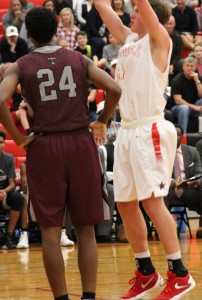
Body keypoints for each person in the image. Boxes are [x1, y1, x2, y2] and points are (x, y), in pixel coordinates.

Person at [0, 7, 121, 300]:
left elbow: (0, 100)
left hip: (44, 146)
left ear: (28, 34)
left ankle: (61, 298)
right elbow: (115, 88)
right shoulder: (78, 58)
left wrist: (18, 137)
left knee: (52, 233)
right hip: (80, 143)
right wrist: (102, 121)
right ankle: (89, 297)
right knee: (86, 230)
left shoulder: (20, 64)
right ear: (57, 30)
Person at [94, 0, 195, 299]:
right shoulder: (129, 41)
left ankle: (180, 273)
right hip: (126, 130)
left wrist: (142, 4)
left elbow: (144, 6)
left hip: (150, 127)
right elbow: (104, 11)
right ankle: (147, 273)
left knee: (152, 203)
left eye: (136, 11)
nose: (132, 13)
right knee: (125, 203)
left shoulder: (159, 41)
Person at [165, 124, 202, 239]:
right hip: (169, 190)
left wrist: (197, 180)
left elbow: (199, 172)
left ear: (182, 136)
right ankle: (164, 229)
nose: (175, 137)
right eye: (172, 134)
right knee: (161, 193)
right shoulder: (162, 152)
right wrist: (172, 182)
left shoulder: (192, 151)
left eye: (178, 135)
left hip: (188, 189)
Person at [170, 56, 202, 133]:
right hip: (177, 108)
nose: (189, 68)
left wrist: (197, 81)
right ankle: (182, 135)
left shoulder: (198, 77)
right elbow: (178, 100)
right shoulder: (177, 80)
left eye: (191, 66)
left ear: (195, 67)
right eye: (187, 66)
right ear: (183, 67)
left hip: (193, 107)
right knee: (184, 108)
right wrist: (194, 107)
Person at [0, 130, 27, 250]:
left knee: (17, 197)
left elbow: (12, 183)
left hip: (4, 195)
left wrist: (5, 191)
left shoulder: (8, 158)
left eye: (1, 142)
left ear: (4, 144)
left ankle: (8, 236)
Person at [164, 15, 183, 84]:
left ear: (174, 24)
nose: (168, 26)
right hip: (160, 62)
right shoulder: (158, 36)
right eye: (167, 24)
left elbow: (178, 55)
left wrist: (172, 65)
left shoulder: (178, 38)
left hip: (173, 63)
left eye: (171, 24)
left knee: (182, 63)